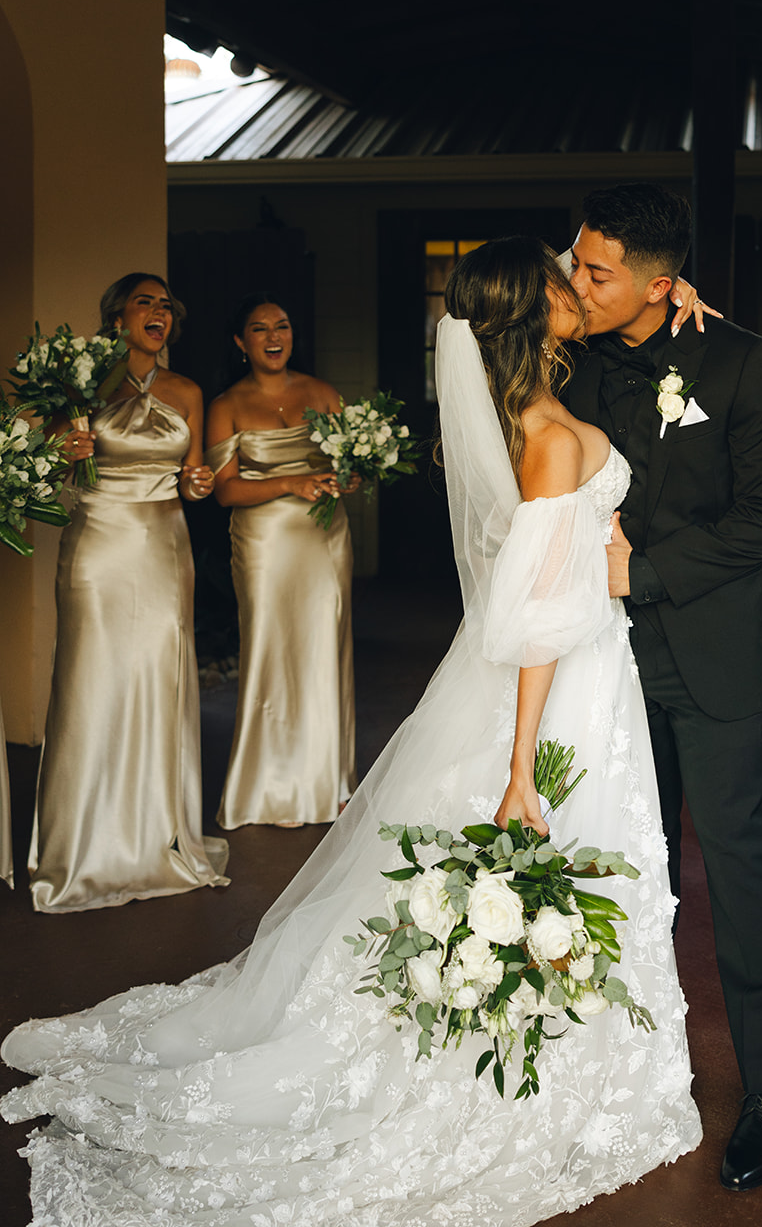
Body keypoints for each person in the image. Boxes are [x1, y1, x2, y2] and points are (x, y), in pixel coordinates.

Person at [2, 238, 700, 1226]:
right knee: (550, 845)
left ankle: (594, 1049)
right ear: (530, 307)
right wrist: (520, 767)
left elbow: (559, 559)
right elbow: (530, 620)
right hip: (560, 687)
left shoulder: (534, 415)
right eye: (562, 276)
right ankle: (536, 1064)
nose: (575, 287)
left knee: (589, 863)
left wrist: (609, 537)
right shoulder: (542, 430)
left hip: (594, 666)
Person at [563, 183, 762, 1192]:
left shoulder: (735, 358)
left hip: (711, 654)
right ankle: (630, 1069)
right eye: (573, 264)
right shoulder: (561, 356)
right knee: (618, 865)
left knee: (739, 868)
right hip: (599, 658)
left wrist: (647, 572)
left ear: (660, 285)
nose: (575, 282)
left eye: (595, 270)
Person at [29, 273, 229, 913]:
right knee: (94, 679)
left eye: (166, 304)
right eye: (145, 302)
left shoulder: (187, 391)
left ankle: (154, 833)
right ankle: (84, 843)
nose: (158, 312)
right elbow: (52, 458)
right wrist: (66, 447)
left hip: (167, 545)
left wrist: (197, 483)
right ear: (117, 318)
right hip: (99, 546)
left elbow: (193, 480)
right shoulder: (81, 385)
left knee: (157, 678)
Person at [206, 295, 356, 829]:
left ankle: (328, 783)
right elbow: (224, 492)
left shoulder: (323, 392)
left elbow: (348, 465)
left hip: (323, 539)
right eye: (259, 328)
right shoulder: (225, 405)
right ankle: (262, 785)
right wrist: (293, 482)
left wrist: (352, 476)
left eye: (283, 326)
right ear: (240, 341)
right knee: (270, 649)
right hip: (264, 546)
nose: (274, 336)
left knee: (323, 649)